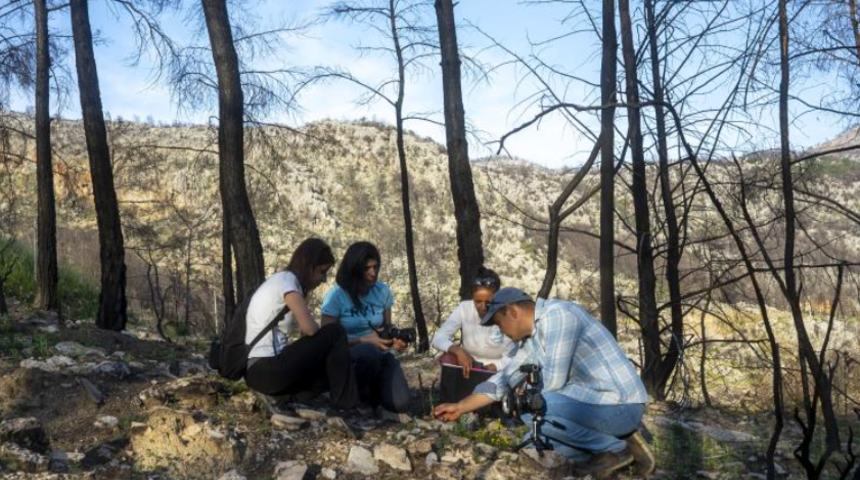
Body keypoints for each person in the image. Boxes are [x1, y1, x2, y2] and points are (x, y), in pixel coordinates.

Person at [433, 287, 655, 478]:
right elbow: (505, 377)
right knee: (536, 444)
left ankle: (616, 448)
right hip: (590, 405)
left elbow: (553, 383)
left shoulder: (559, 317)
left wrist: (520, 398)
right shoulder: (533, 338)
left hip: (619, 405)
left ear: (512, 311)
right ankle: (601, 451)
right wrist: (461, 406)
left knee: (529, 405)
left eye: (500, 325)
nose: (502, 333)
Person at [244, 238, 359, 410]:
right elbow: (310, 330)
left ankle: (288, 398)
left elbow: (308, 338)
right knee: (335, 332)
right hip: (265, 369)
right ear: (308, 266)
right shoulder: (287, 282)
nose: (323, 279)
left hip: (261, 372)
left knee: (328, 368)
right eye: (322, 272)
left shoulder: (282, 280)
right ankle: (346, 405)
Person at [321, 241, 410, 414]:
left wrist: (395, 340)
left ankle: (374, 392)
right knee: (367, 352)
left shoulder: (382, 291)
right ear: (354, 269)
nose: (373, 273)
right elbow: (325, 341)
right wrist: (363, 340)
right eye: (367, 268)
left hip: (380, 354)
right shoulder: (336, 296)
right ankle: (356, 398)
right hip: (350, 356)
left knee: (401, 404)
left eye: (375, 267)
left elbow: (386, 327)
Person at [432, 266, 515, 378]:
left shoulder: (506, 314)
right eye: (478, 301)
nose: (483, 307)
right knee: (448, 358)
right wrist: (458, 351)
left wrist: (497, 366)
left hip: (497, 369)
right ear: (472, 298)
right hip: (469, 365)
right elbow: (438, 339)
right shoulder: (464, 308)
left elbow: (514, 356)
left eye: (488, 302)